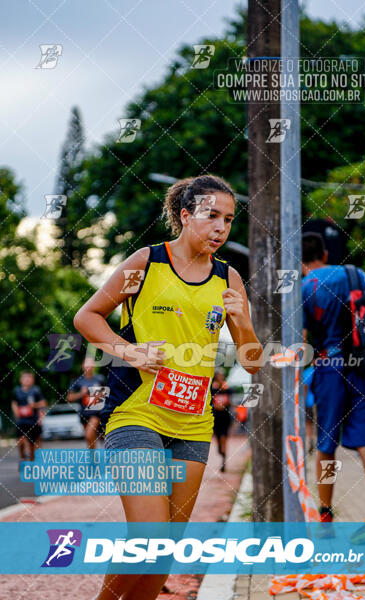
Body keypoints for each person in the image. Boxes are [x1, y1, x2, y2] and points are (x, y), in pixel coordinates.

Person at [73, 174, 263, 600]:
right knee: (148, 534)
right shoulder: (147, 262)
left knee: (163, 550)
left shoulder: (228, 279)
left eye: (229, 220)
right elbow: (87, 317)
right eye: (211, 215)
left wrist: (245, 324)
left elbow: (253, 365)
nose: (220, 227)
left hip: (193, 422)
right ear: (184, 216)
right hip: (137, 412)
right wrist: (131, 351)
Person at [301, 232, 365, 525]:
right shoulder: (355, 274)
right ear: (325, 254)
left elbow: (303, 338)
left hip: (329, 367)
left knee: (327, 441)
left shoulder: (305, 287)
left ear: (300, 261)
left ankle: (326, 512)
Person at [67, 357, 105, 450]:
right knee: (90, 438)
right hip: (83, 413)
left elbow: (107, 393)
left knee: (89, 434)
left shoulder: (100, 378)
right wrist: (81, 394)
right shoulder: (77, 381)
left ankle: (101, 456)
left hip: (96, 413)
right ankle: (93, 457)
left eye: (91, 364)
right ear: (83, 366)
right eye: (87, 364)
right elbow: (69, 398)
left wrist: (101, 394)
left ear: (94, 366)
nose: (89, 367)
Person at [12, 371, 47, 463]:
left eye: (29, 378)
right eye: (25, 378)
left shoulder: (36, 390)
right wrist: (17, 413)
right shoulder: (17, 391)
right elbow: (14, 403)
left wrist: (35, 406)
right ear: (21, 380)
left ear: (32, 380)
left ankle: (32, 462)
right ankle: (22, 457)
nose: (27, 380)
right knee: (21, 440)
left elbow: (43, 403)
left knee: (33, 444)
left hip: (34, 420)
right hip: (22, 420)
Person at [211, 369, 232, 472]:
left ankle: (224, 459)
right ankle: (220, 451)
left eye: (222, 377)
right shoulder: (213, 390)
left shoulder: (227, 390)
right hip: (216, 418)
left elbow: (230, 403)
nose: (220, 379)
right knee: (218, 437)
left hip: (225, 417)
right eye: (219, 377)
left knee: (224, 437)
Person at [303, 365, 316, 454]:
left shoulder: (307, 372)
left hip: (309, 402)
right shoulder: (319, 369)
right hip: (319, 401)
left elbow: (305, 387)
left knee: (308, 424)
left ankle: (310, 441)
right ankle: (312, 442)